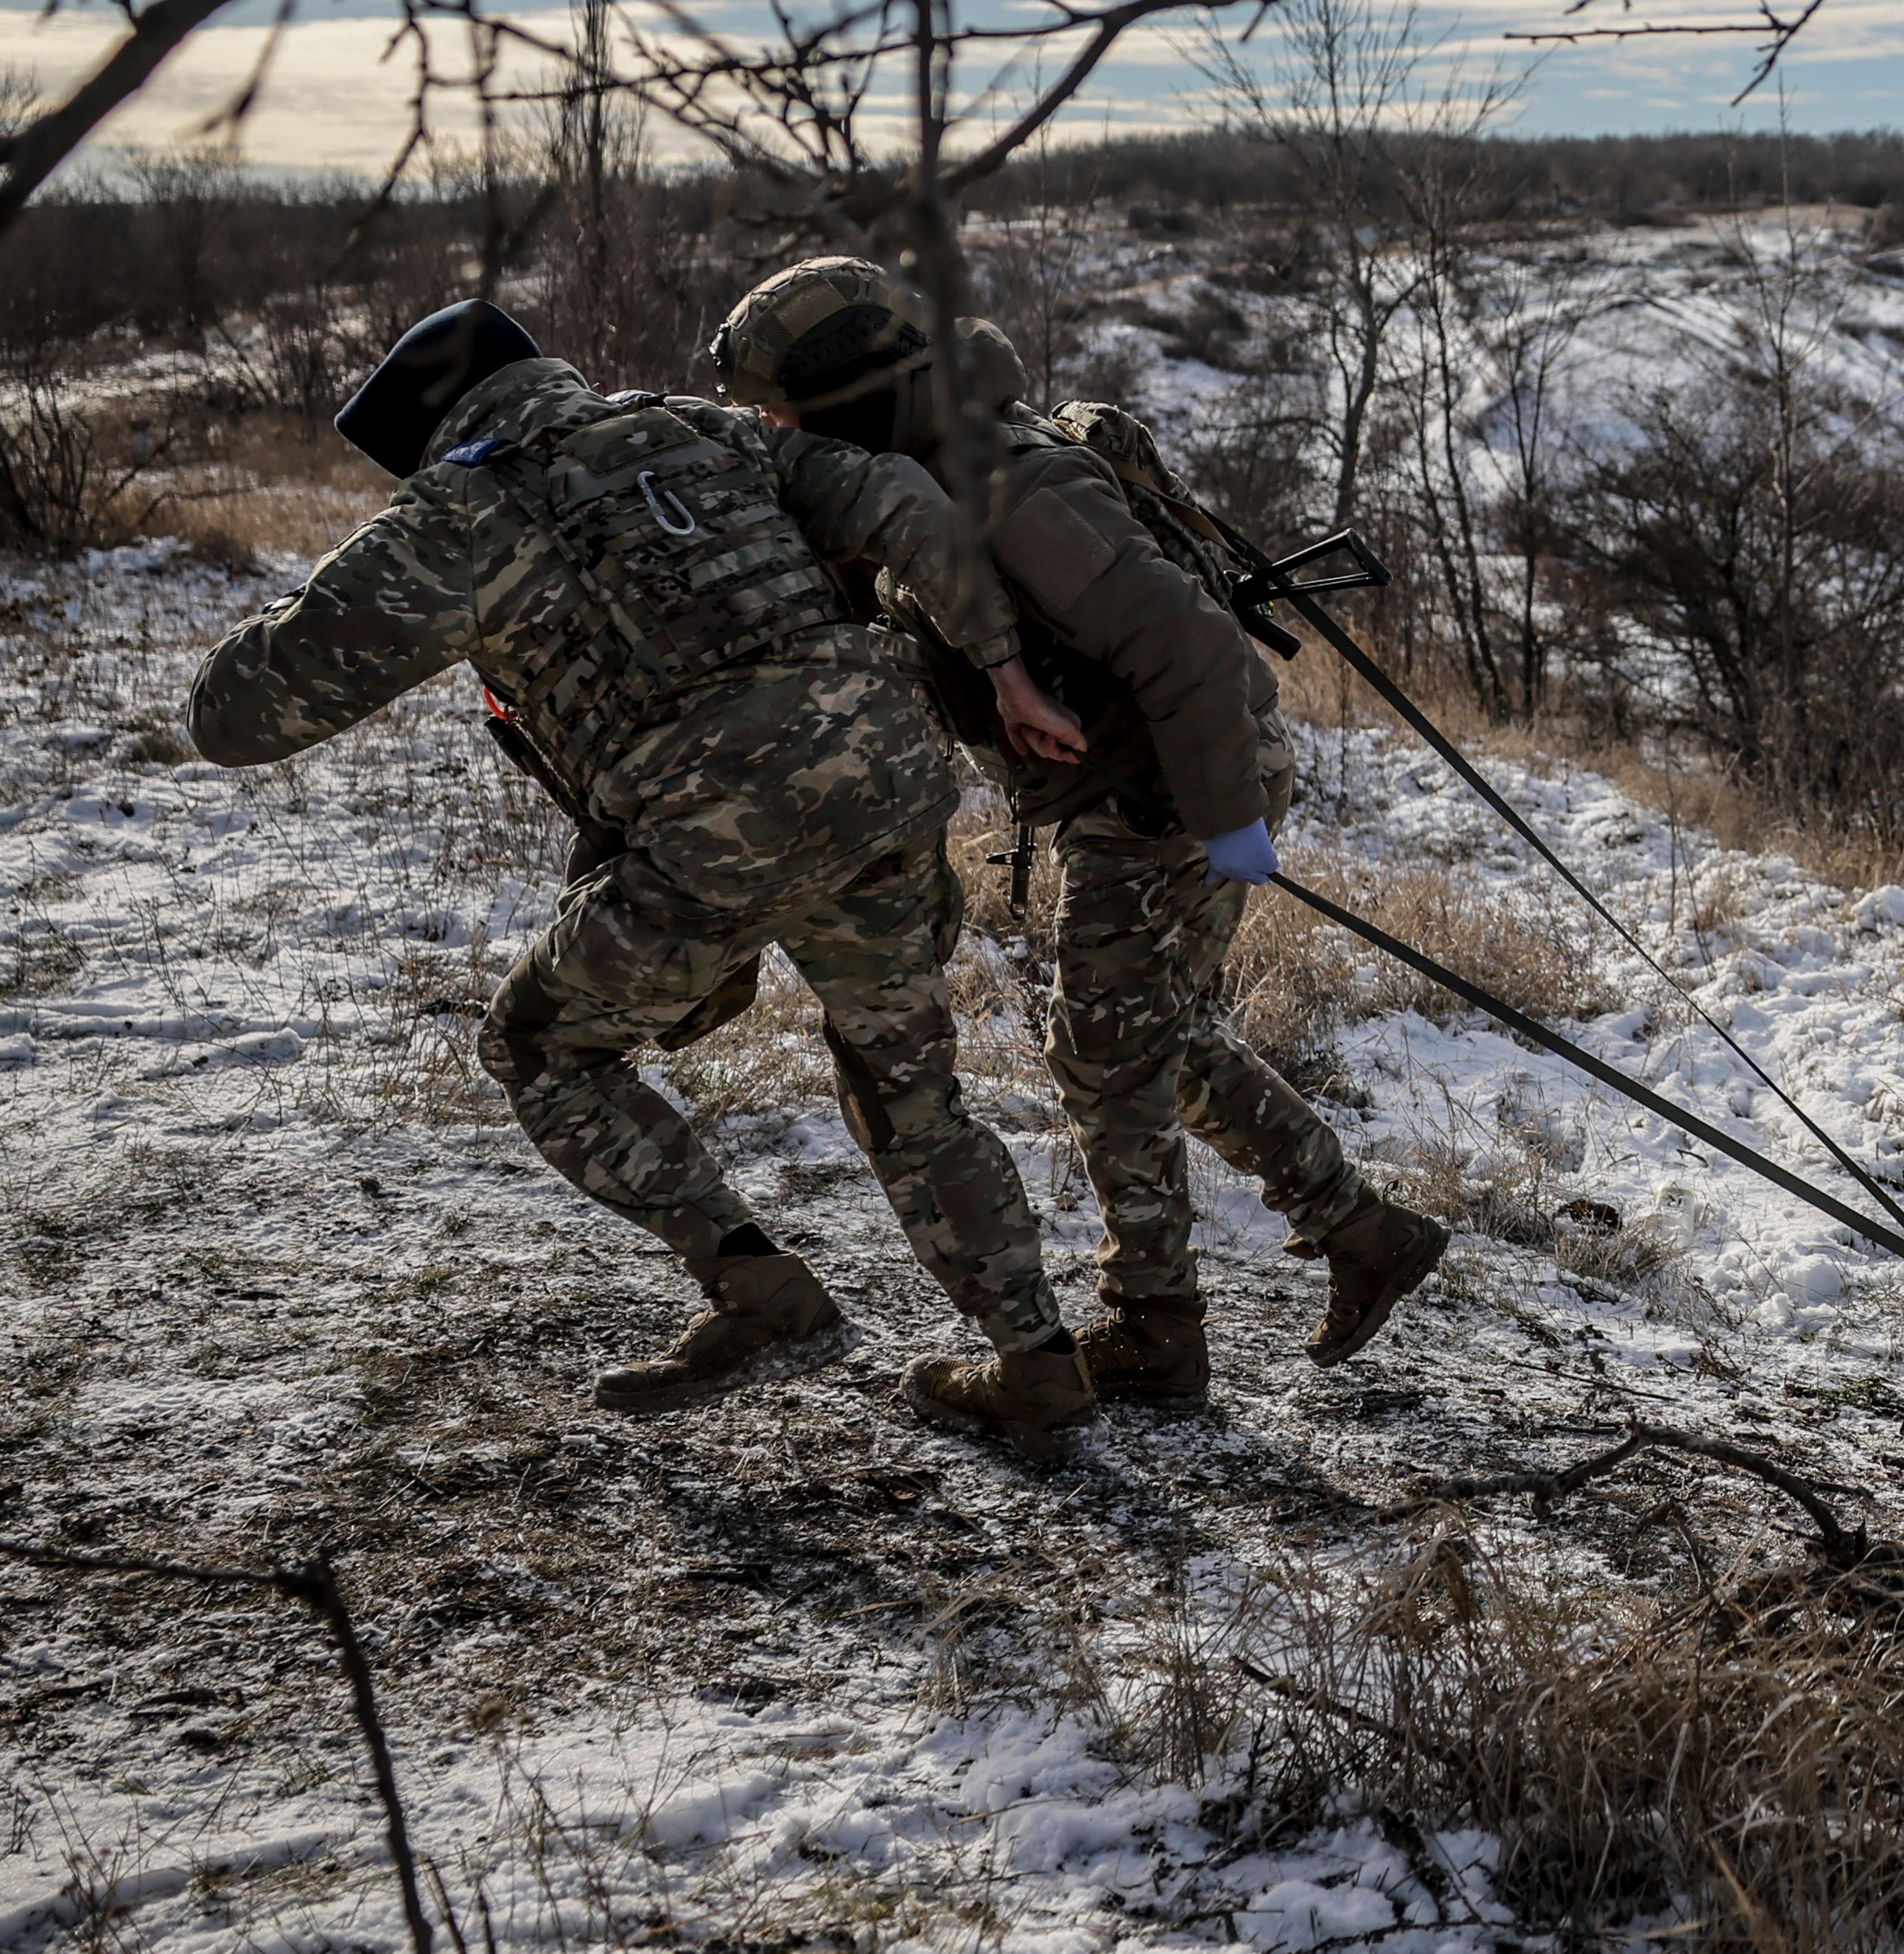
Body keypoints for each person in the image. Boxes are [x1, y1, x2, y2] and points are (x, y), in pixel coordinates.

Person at [188, 299, 1106, 1455]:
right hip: (880, 776)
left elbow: (232, 716)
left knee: (543, 1048)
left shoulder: (455, 519)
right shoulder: (703, 428)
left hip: (713, 825)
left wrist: (331, 584)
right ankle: (1035, 1357)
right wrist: (1003, 666)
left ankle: (759, 1290)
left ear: (425, 438)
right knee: (911, 1083)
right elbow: (901, 501)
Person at [707, 262, 1448, 1406]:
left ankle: (1155, 1331)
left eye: (781, 405)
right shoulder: (927, 470)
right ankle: (1362, 1232)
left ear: (847, 390)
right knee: (1153, 1038)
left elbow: (1193, 650)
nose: (772, 428)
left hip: (1167, 787)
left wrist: (1226, 825)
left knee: (1105, 1052)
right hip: (1148, 783)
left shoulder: (1011, 484)